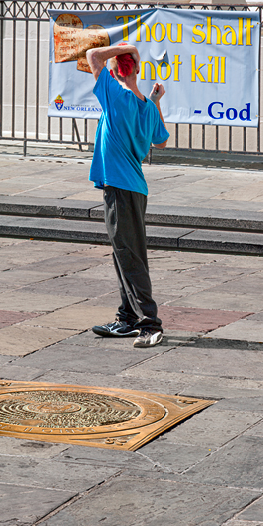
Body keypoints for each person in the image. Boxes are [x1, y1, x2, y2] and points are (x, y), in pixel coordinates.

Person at [84, 41, 170, 348]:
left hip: (121, 187)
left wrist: (125, 46)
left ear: (114, 69)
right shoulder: (145, 105)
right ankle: (127, 318)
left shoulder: (115, 95)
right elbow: (160, 141)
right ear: (136, 69)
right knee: (125, 253)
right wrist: (157, 100)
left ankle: (150, 323)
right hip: (133, 187)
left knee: (129, 256)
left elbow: (92, 55)